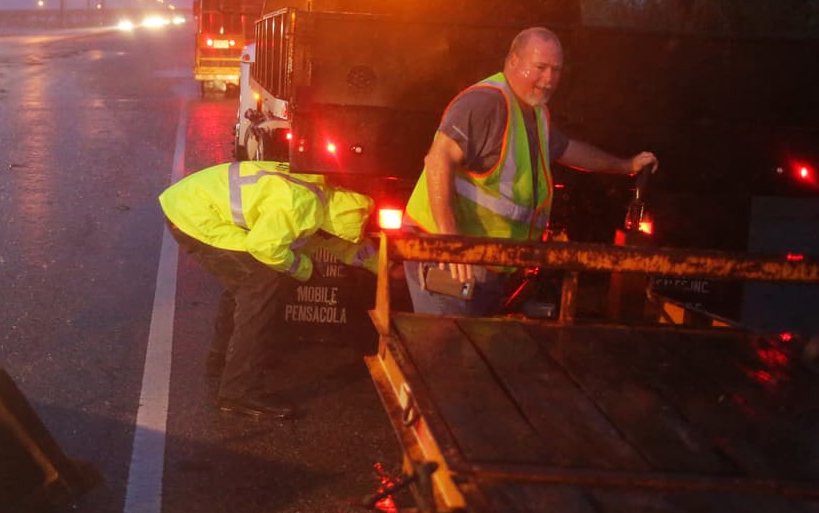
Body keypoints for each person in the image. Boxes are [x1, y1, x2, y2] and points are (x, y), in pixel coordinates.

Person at [403, 27, 658, 316]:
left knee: (469, 353)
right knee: (447, 355)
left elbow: (567, 149)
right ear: (513, 61)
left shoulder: (534, 112)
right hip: (444, 260)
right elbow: (438, 159)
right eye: (539, 68)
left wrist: (626, 165)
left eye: (556, 70)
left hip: (483, 266)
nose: (548, 79)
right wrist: (449, 243)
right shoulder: (486, 103)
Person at [159, 160, 378, 420]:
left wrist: (383, 266)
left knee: (246, 279)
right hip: (193, 215)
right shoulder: (303, 206)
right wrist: (304, 269)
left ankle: (222, 360)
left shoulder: (323, 200)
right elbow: (264, 248)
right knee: (260, 283)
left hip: (190, 204)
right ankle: (239, 392)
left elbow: (343, 247)